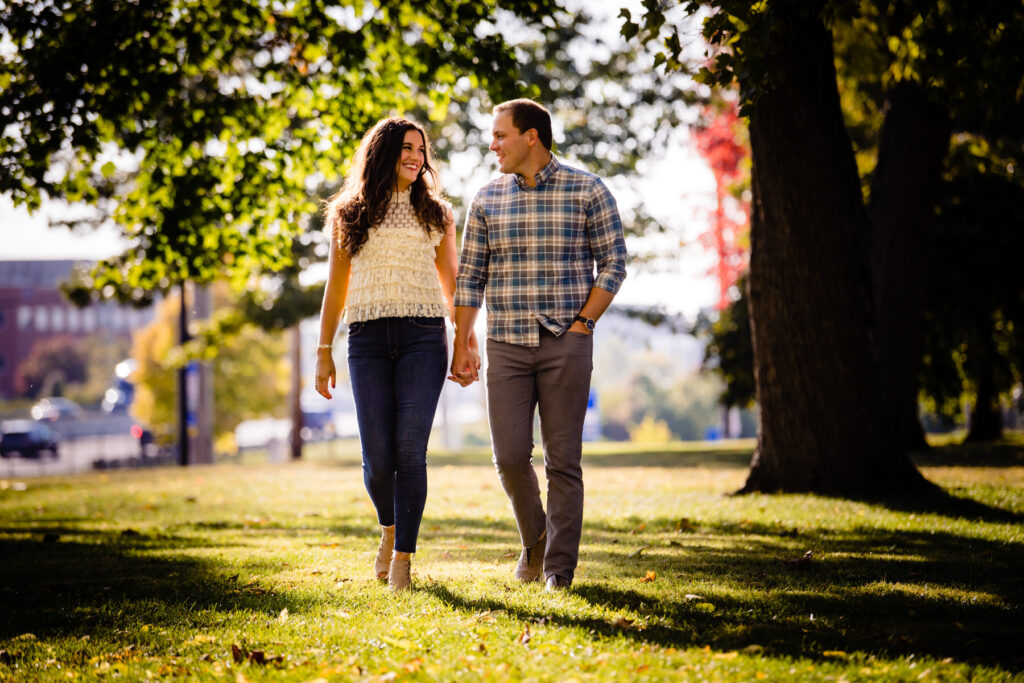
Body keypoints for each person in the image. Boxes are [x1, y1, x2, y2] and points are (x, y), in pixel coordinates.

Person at [450, 99, 627, 591]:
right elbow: (470, 280)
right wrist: (462, 341)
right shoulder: (486, 199)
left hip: (564, 342)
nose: (493, 145)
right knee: (509, 457)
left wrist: (584, 324)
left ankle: (558, 573)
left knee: (562, 461)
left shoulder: (587, 190)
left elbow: (614, 263)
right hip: (504, 343)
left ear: (532, 137)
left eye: (500, 135)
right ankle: (536, 540)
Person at [315, 116, 478, 592]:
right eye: (408, 148)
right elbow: (335, 286)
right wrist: (323, 351)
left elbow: (452, 282)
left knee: (410, 452)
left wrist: (466, 341)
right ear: (384, 152)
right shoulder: (349, 212)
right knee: (376, 458)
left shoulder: (437, 214)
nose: (416, 157)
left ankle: (403, 556)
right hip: (365, 339)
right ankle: (388, 528)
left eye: (421, 150)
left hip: (423, 338)